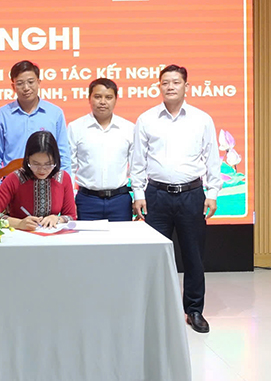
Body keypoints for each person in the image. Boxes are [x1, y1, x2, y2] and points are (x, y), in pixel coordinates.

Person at [130, 64, 221, 334]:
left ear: (186, 86)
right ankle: (154, 311)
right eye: (165, 82)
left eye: (176, 82)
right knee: (154, 257)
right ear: (159, 86)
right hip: (156, 196)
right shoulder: (146, 119)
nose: (170, 86)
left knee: (193, 257)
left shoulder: (202, 119)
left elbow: (212, 158)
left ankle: (194, 310)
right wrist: (138, 193)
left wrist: (212, 193)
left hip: (192, 195)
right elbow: (138, 161)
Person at [0, 60, 70, 185]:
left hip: (48, 183)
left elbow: (63, 153)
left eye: (31, 82)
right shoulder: (3, 114)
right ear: (13, 87)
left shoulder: (55, 113)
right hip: (13, 184)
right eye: (20, 83)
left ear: (38, 82)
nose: (26, 88)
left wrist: (63, 186)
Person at [68, 78, 135, 221]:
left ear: (116, 99)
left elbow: (136, 167)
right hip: (87, 201)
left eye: (108, 97)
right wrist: (69, 199)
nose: (103, 102)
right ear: (89, 98)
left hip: (120, 201)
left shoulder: (129, 128)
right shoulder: (75, 127)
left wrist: (139, 195)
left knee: (122, 236)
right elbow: (70, 167)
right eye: (98, 97)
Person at [0, 131, 77, 231]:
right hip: (19, 235)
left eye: (48, 164)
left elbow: (71, 216)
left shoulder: (63, 178)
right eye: (36, 164)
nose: (42, 170)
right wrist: (19, 223)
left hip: (52, 235)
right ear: (27, 159)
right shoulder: (15, 179)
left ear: (56, 160)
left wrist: (57, 219)